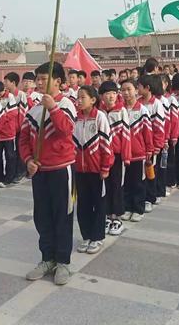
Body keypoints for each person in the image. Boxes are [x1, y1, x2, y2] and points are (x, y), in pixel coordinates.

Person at [19, 61, 77, 286]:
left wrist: (52, 107)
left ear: (59, 82)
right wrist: (28, 160)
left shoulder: (67, 105)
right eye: (38, 79)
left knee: (62, 216)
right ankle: (47, 258)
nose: (40, 83)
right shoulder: (33, 109)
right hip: (40, 171)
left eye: (45, 79)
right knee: (42, 217)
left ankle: (63, 261)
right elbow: (23, 139)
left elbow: (65, 131)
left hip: (62, 170)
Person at [74, 86, 113, 254]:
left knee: (98, 203)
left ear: (93, 99)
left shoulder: (100, 117)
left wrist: (105, 167)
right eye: (78, 97)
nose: (79, 100)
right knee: (83, 204)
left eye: (83, 97)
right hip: (79, 170)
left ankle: (97, 237)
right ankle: (86, 235)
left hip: (96, 170)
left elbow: (106, 144)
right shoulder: (75, 118)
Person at [99, 80, 131, 235]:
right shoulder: (99, 112)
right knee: (105, 186)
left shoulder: (121, 111)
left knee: (117, 185)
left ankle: (116, 217)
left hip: (117, 156)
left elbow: (126, 135)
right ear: (101, 96)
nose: (111, 96)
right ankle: (106, 214)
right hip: (103, 156)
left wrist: (126, 157)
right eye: (107, 93)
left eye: (113, 93)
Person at [120, 79, 153, 222]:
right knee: (126, 183)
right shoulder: (119, 109)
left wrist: (149, 150)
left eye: (129, 89)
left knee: (138, 183)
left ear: (135, 90)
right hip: (123, 155)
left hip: (139, 154)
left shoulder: (142, 110)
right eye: (123, 90)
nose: (126, 93)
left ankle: (138, 208)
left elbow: (148, 132)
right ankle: (127, 207)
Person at [137, 74, 165, 212]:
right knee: (142, 173)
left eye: (139, 86)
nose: (137, 88)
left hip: (152, 145)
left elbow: (159, 126)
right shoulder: (138, 103)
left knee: (151, 171)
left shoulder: (156, 104)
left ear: (147, 88)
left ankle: (150, 197)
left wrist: (157, 145)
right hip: (140, 145)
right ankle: (145, 196)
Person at [0, 81, 18, 187]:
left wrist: (0, 119)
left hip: (9, 132)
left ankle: (9, 177)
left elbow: (13, 113)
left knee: (10, 156)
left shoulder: (10, 97)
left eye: (0, 93)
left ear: (4, 89)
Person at [4, 72, 28, 183]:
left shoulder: (21, 95)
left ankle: (20, 171)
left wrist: (20, 127)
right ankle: (11, 173)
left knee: (20, 150)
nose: (4, 83)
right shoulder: (5, 95)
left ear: (13, 82)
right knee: (11, 153)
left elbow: (23, 112)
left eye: (6, 81)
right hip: (9, 130)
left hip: (19, 128)